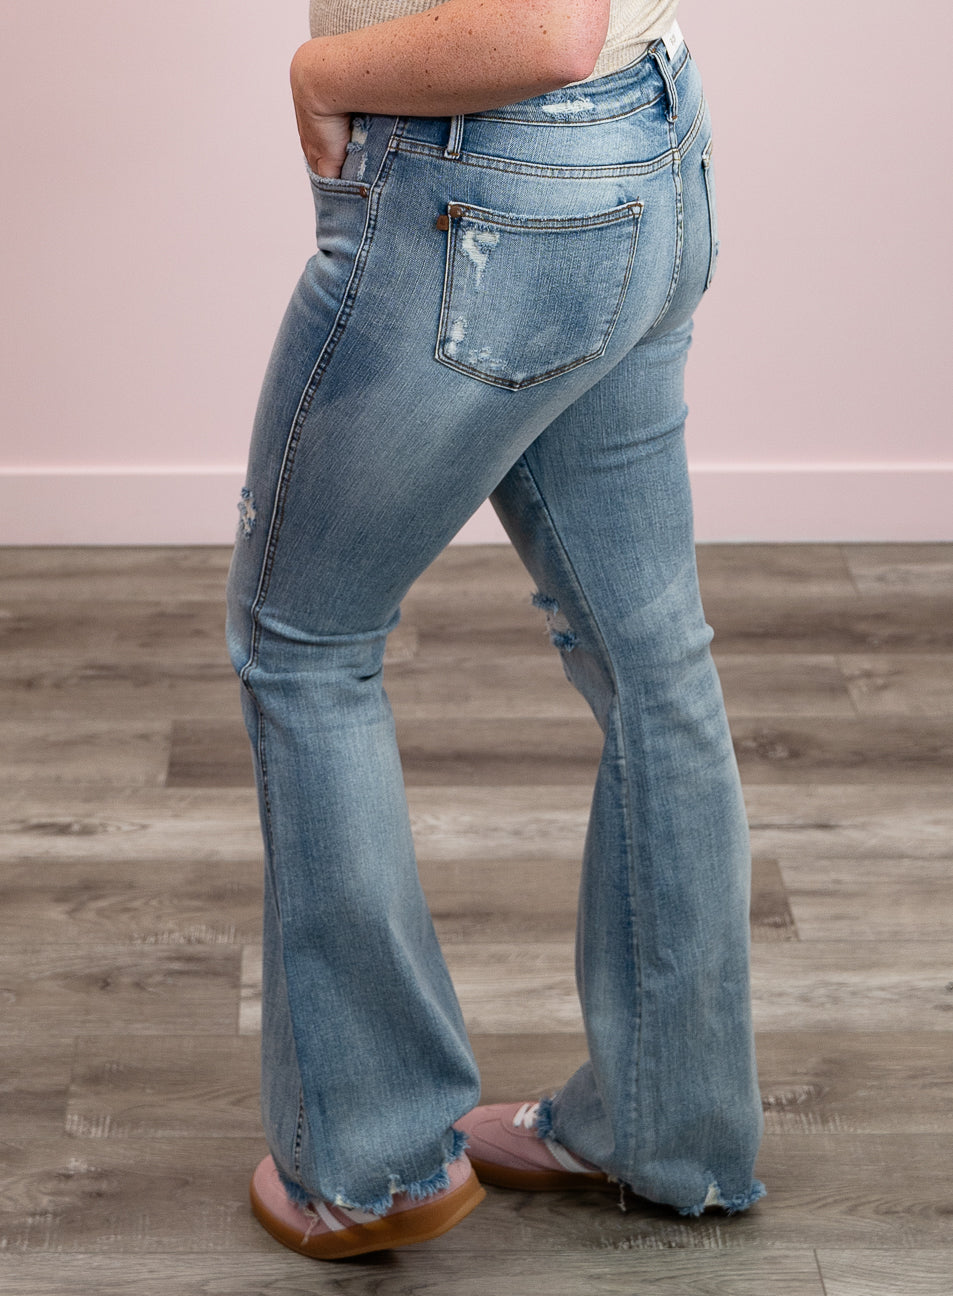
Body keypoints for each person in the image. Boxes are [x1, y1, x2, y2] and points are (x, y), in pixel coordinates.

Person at [225, 0, 765, 1262]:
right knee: (651, 661)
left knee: (302, 648)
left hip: (494, 184)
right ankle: (668, 1133)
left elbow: (544, 28)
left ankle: (370, 1165)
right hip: (647, 143)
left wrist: (320, 71)